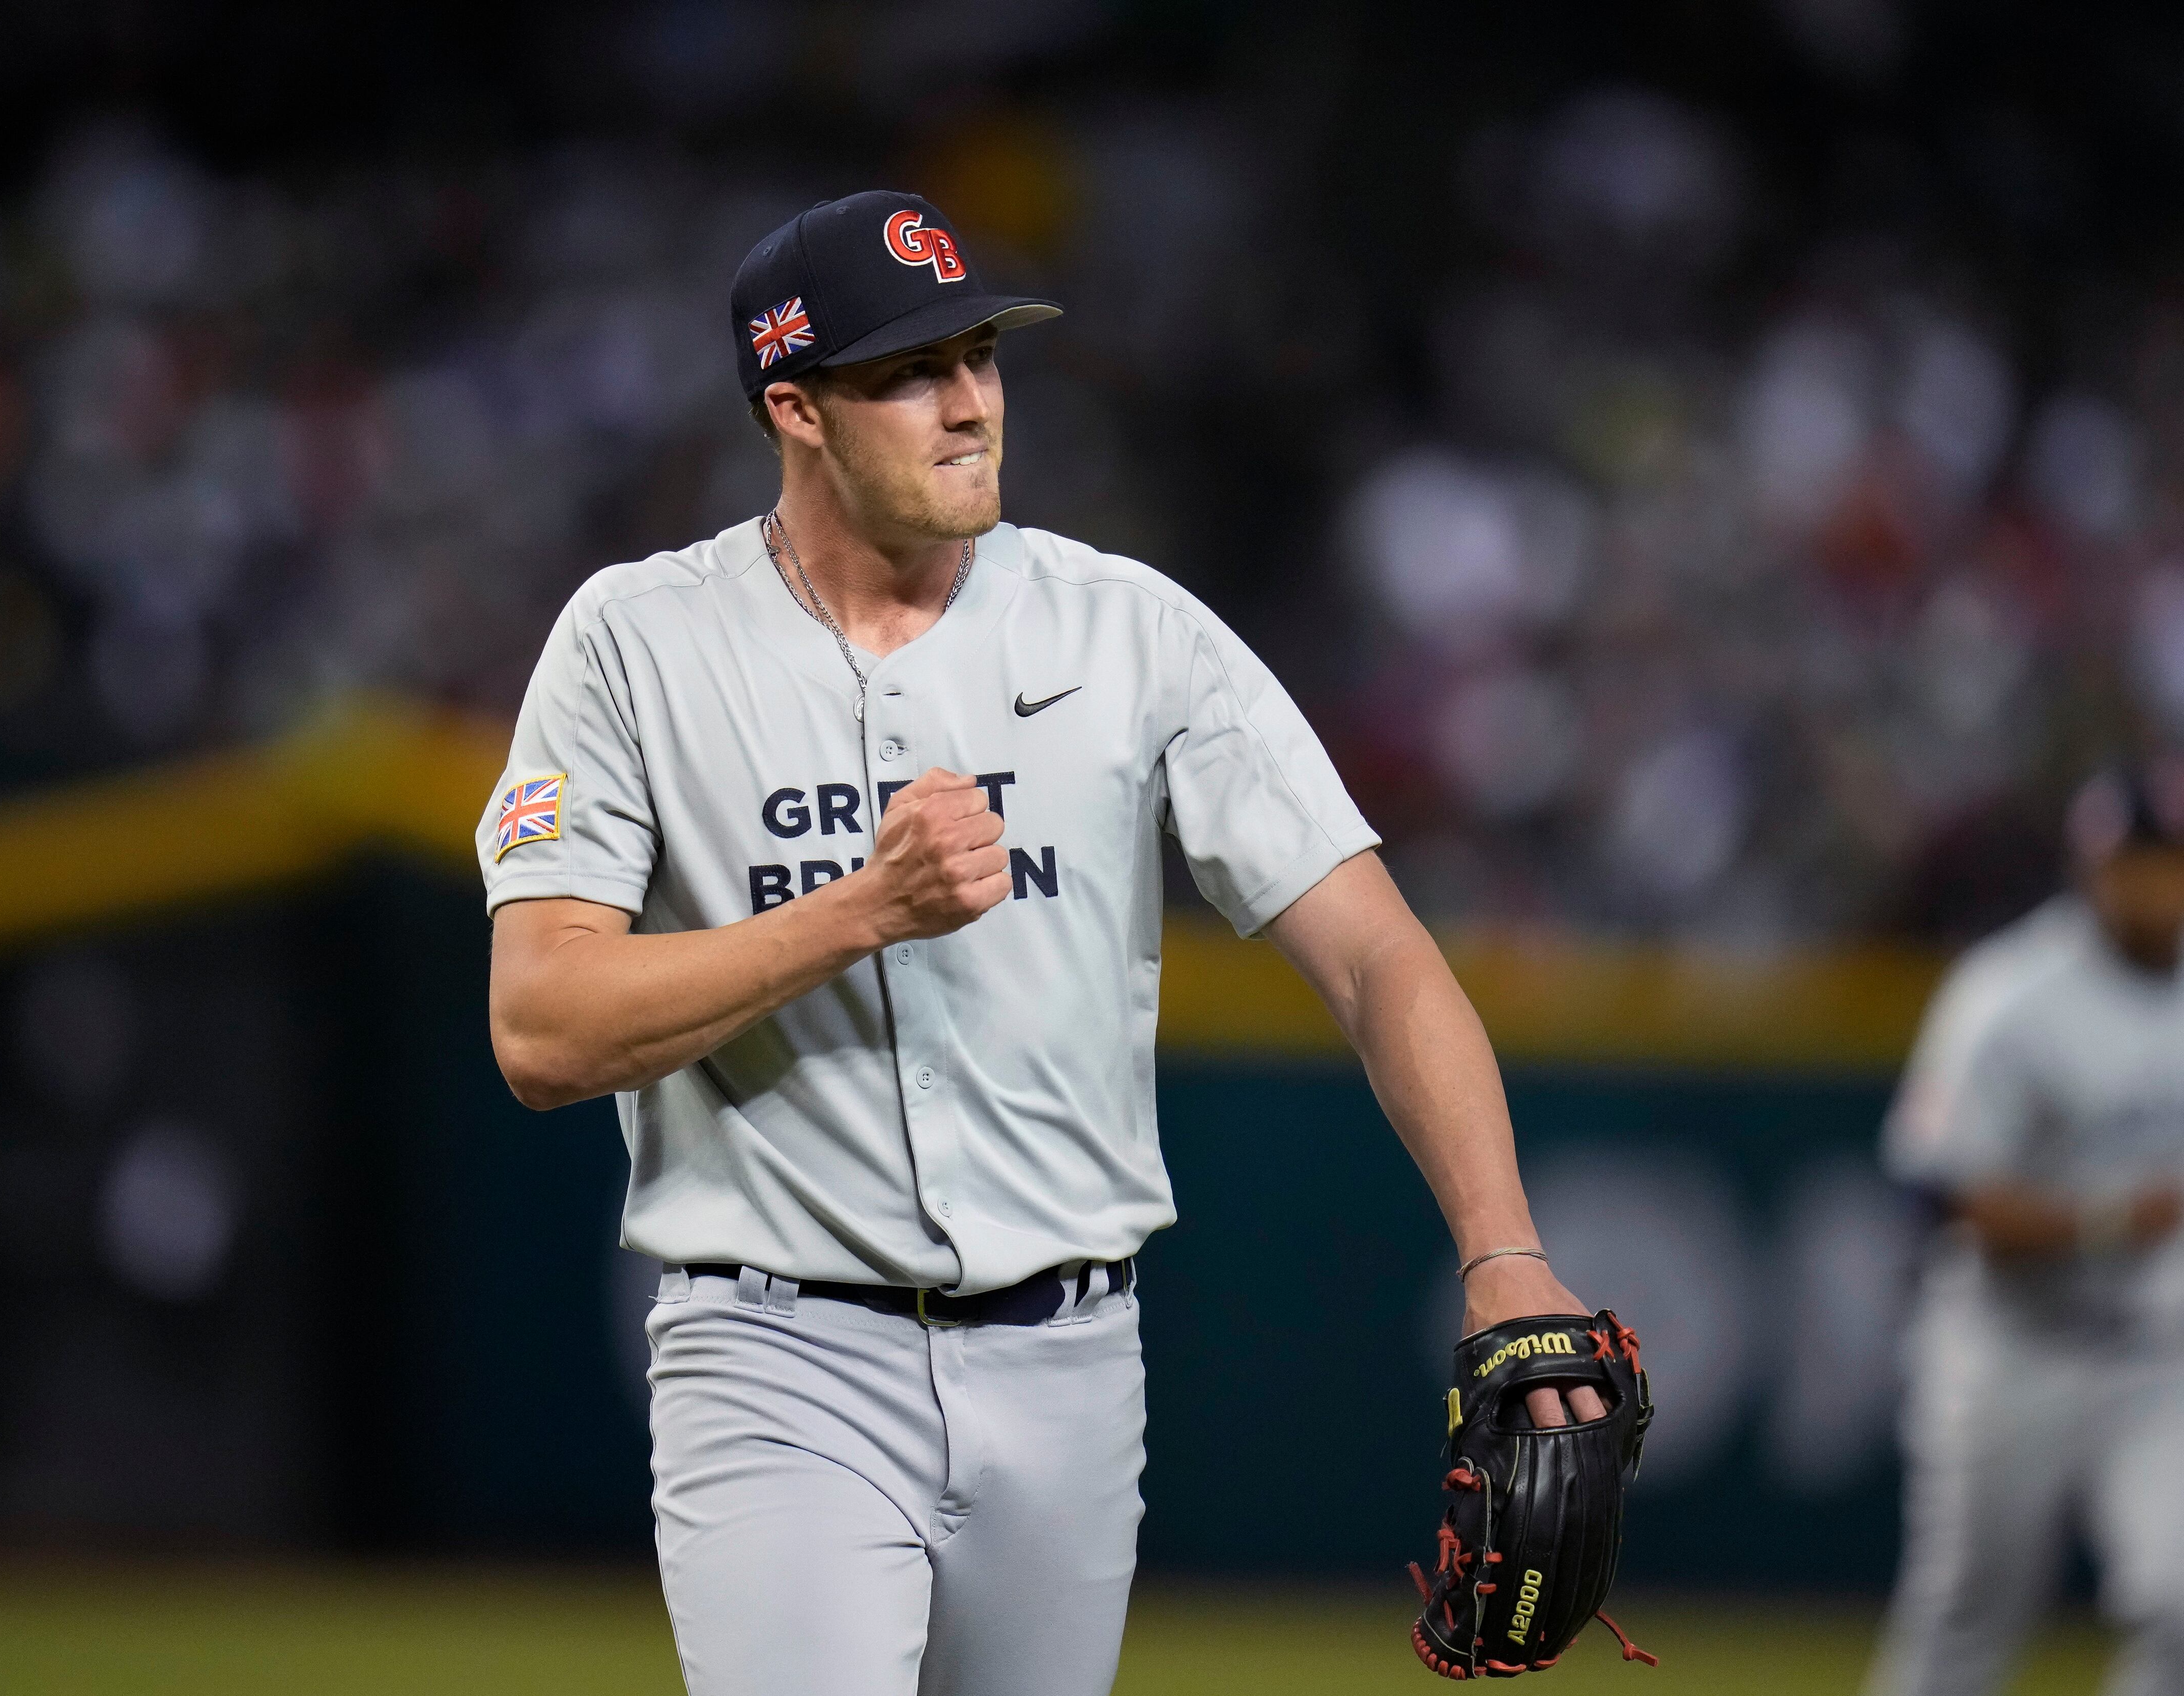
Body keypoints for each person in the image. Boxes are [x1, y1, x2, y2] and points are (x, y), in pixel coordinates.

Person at [475, 189, 1605, 1696]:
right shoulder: (635, 641)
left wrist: (1504, 1246)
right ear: (795, 408)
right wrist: (861, 910)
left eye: (982, 356)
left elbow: (1376, 952)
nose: (968, 406)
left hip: (1071, 1359)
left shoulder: (1127, 629)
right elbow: (541, 1027)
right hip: (777, 1354)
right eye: (910, 374)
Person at [1865, 763, 2184, 1696]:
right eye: (2132, 863)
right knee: (1966, 1626)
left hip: (2170, 1349)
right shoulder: (2008, 997)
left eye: (2174, 863)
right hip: (2013, 1346)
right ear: (2089, 870)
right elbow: (1944, 1194)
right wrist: (2107, 1220)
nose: (2153, 885)